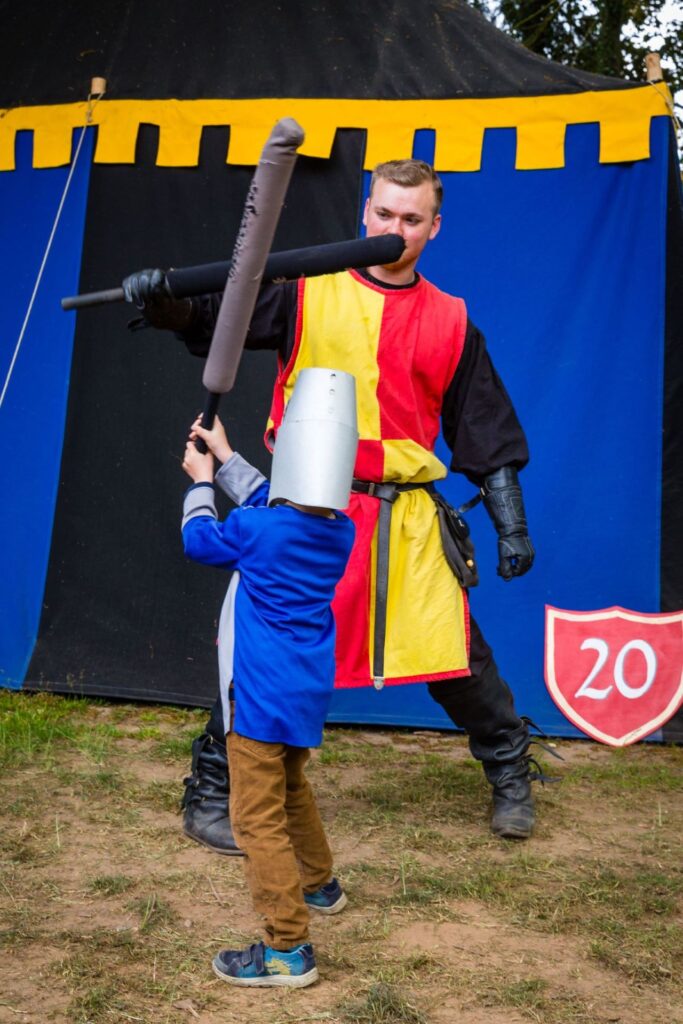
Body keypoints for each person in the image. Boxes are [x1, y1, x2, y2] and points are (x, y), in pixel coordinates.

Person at [125, 158, 540, 852]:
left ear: (433, 228)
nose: (395, 228)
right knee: (263, 657)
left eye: (411, 219)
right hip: (307, 517)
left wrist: (511, 527)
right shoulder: (303, 294)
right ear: (365, 214)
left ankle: (510, 773)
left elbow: (484, 427)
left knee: (455, 655)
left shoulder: (451, 322)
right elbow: (214, 321)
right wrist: (164, 302)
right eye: (384, 214)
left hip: (405, 518)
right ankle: (211, 792)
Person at [180, 367, 356, 987]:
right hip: (304, 692)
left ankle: (287, 949)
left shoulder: (260, 530)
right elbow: (268, 505)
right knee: (291, 788)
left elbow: (201, 540)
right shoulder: (338, 530)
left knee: (255, 817)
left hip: (257, 697)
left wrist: (202, 481)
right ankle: (320, 884)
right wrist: (226, 457)